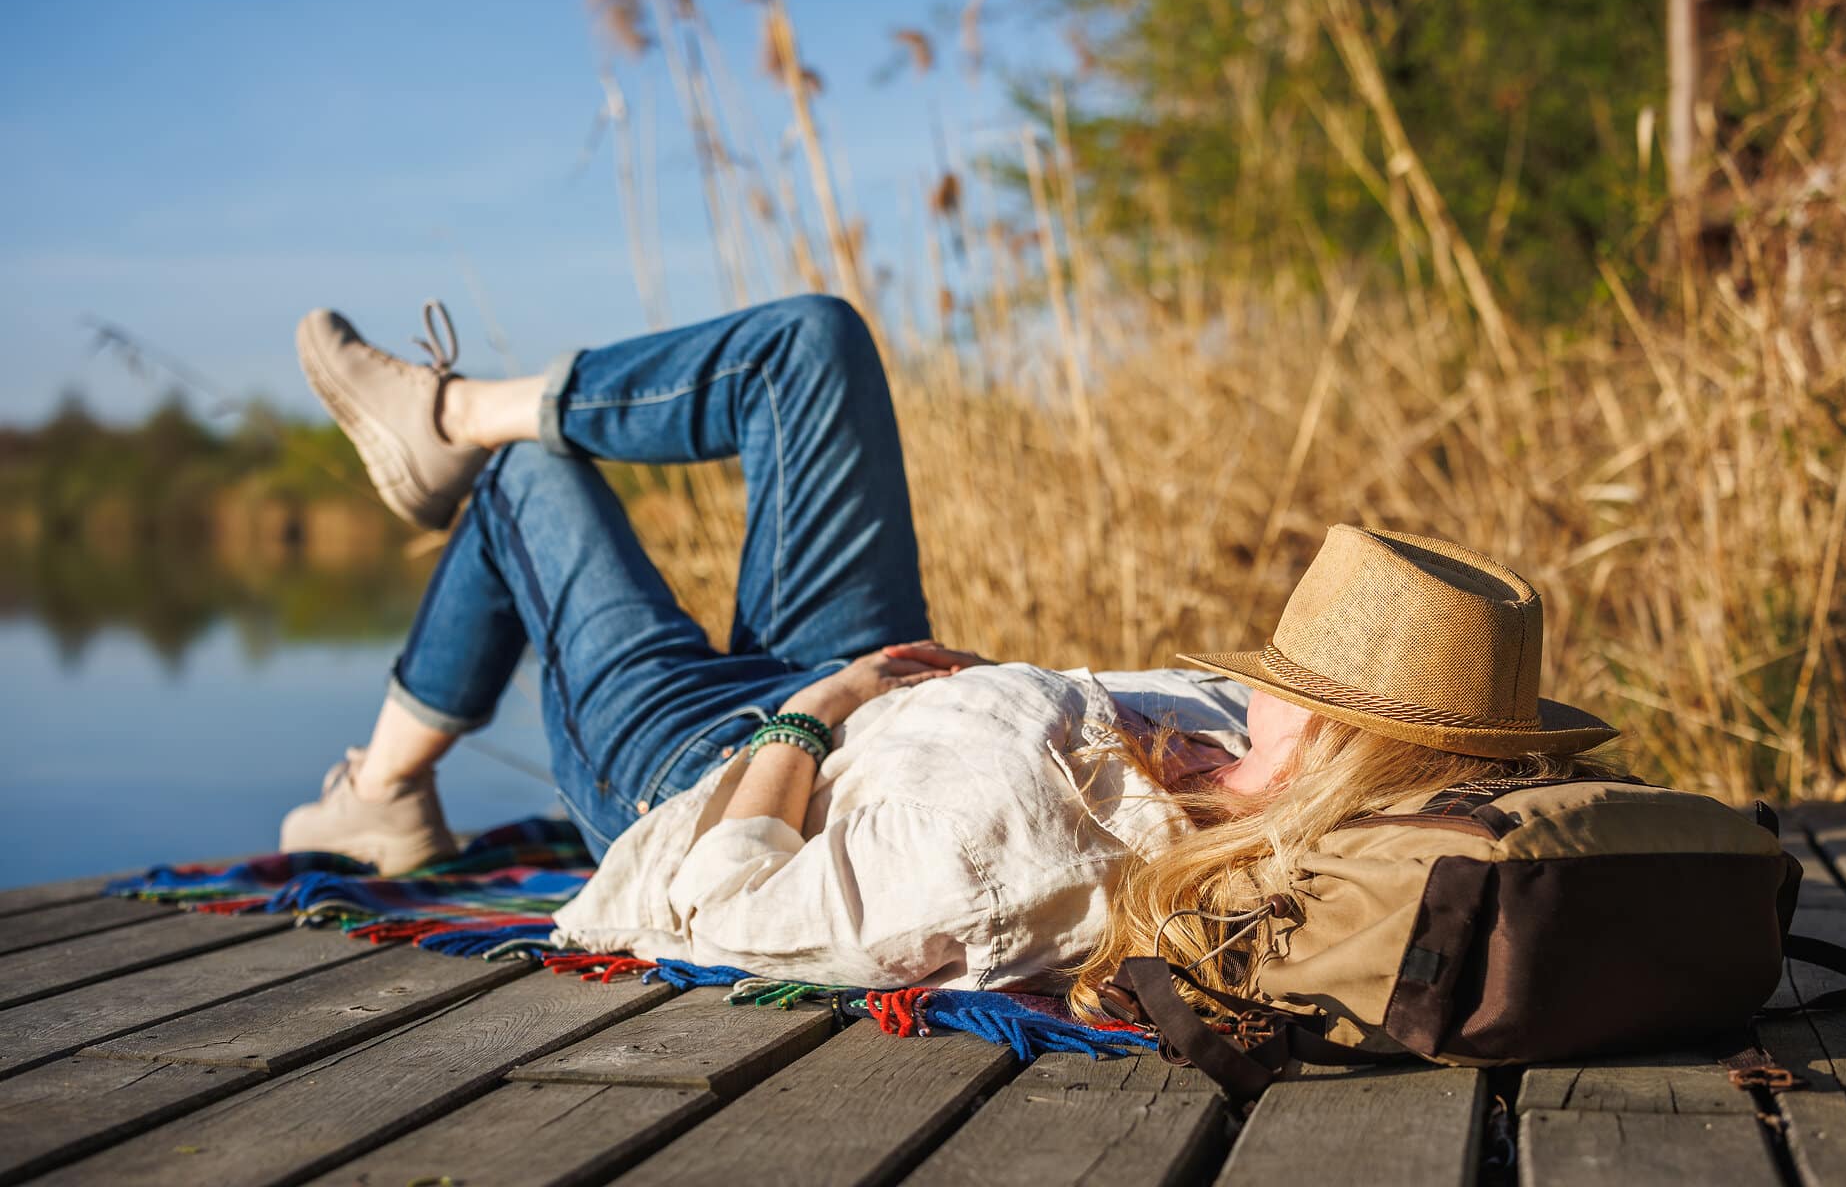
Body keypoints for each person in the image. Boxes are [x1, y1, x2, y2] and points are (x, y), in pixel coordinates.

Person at [281, 294, 1620, 1014]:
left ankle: (390, 771)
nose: (1260, 679)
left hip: (718, 751)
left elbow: (720, 907)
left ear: (1326, 737)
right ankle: (442, 436)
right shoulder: (1241, 751)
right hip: (879, 679)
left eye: (1293, 682)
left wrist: (816, 711)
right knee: (811, 346)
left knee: (529, 488)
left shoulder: (1035, 851)